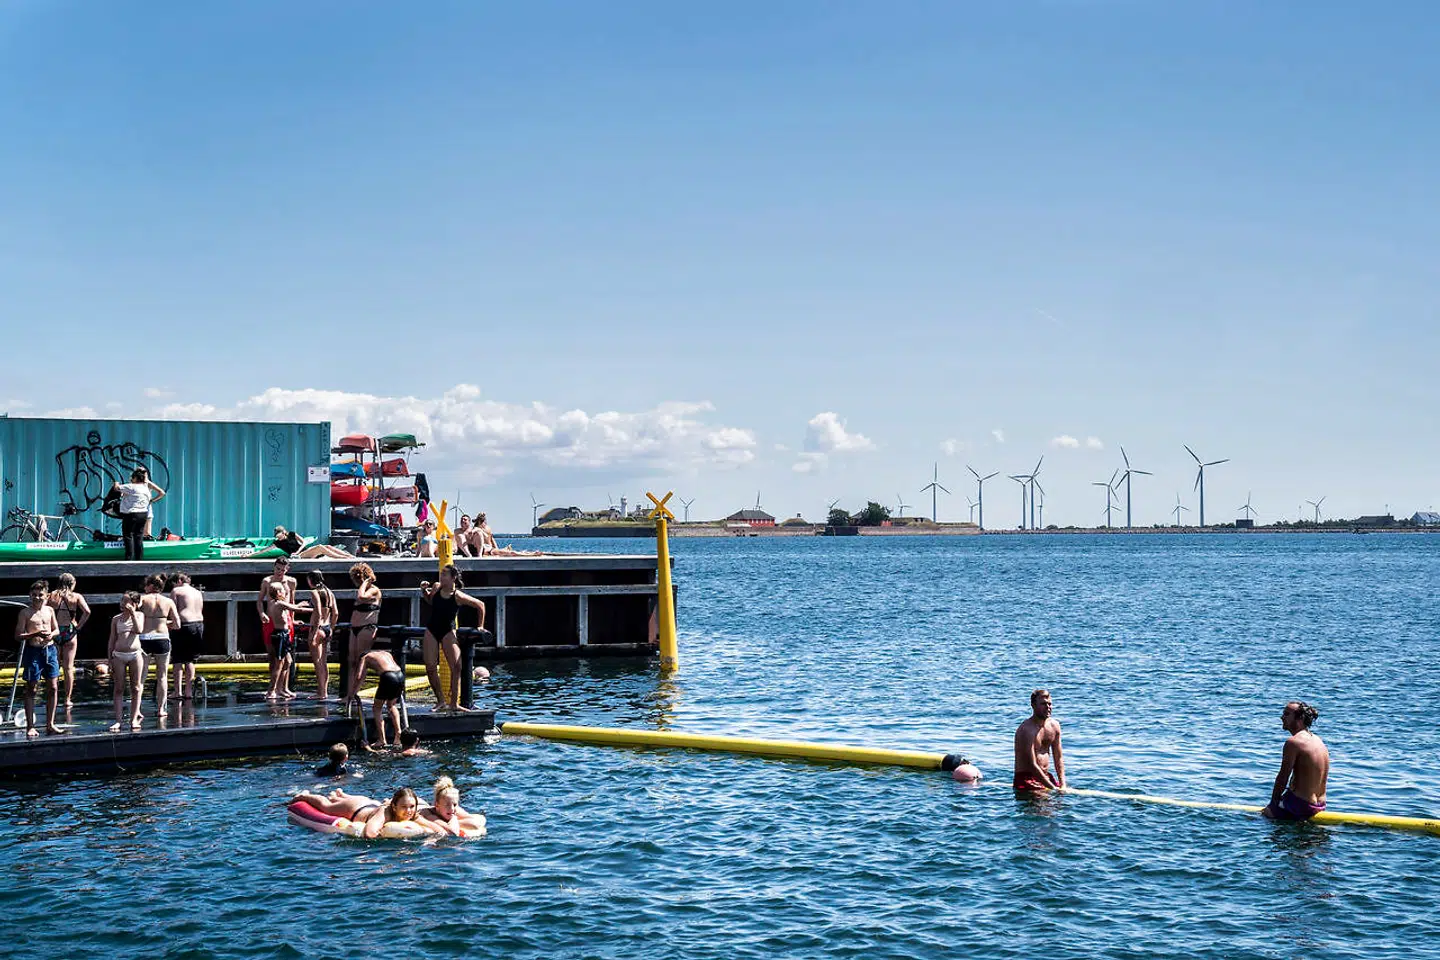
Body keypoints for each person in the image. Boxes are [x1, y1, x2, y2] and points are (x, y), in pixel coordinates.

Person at [419, 564, 486, 712]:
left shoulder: (457, 595)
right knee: (430, 667)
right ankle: (441, 701)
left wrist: (480, 626)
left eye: (444, 574)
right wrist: (424, 591)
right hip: (432, 629)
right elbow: (430, 601)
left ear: (453, 578)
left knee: (457, 666)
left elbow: (480, 605)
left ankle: (454, 703)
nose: (441, 577)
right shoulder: (436, 587)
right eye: (441, 573)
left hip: (448, 631)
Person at [288, 786, 445, 839]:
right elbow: (370, 832)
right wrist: (391, 833)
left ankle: (339, 794)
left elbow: (438, 830)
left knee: (334, 801)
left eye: (412, 806)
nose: (409, 811)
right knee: (326, 806)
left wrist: (431, 838)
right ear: (394, 806)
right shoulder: (385, 813)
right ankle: (305, 795)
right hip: (356, 808)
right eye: (404, 807)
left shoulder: (412, 813)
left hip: (370, 803)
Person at [1261, 701, 1330, 821]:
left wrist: (1273, 805)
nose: (1282, 717)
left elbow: (1283, 777)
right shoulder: (1318, 741)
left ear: (1300, 718)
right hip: (1321, 805)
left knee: (1262, 816)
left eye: (1286, 714)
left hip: (1301, 806)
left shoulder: (1293, 742)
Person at [15, 580, 61, 736]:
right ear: (30, 595)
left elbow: (56, 630)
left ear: (46, 596)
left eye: (40, 595)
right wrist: (35, 634)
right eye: (34, 595)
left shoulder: (49, 610)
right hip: (33, 651)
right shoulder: (25, 613)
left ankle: (50, 724)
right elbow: (18, 635)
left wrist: (50, 635)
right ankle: (30, 726)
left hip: (50, 650)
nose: (37, 598)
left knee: (53, 687)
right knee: (31, 688)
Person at [137, 574, 181, 719]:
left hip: (144, 639)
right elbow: (177, 624)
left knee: (141, 677)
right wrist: (163, 623)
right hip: (162, 638)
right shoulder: (168, 601)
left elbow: (133, 615)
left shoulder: (142, 599)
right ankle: (162, 709)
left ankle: (137, 709)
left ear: (150, 586)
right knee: (162, 676)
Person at [257, 557, 299, 700]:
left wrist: (293, 620)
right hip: (270, 621)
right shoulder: (267, 581)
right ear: (274, 567)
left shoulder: (291, 582)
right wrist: (262, 613)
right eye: (278, 569)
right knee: (273, 657)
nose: (280, 572)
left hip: (286, 622)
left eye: (283, 569)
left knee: (286, 657)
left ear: (287, 569)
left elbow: (292, 602)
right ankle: (273, 687)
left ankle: (283, 688)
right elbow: (259, 600)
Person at [48, 573, 91, 710]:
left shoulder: (50, 596)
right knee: (68, 667)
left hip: (55, 631)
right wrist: (78, 627)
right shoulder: (76, 596)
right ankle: (67, 699)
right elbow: (87, 612)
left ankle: (51, 695)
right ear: (72, 583)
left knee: (53, 666)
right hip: (69, 631)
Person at [351, 647, 406, 749]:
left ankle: (382, 740)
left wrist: (353, 693)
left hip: (388, 676)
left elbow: (359, 677)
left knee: (377, 708)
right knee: (391, 705)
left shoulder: (365, 657)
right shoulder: (386, 653)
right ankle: (398, 734)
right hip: (400, 675)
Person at [107, 591, 145, 732]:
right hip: (119, 655)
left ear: (134, 604)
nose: (123, 604)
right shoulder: (116, 619)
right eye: (122, 601)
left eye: (126, 601)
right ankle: (118, 720)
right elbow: (112, 639)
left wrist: (133, 613)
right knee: (119, 687)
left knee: (136, 687)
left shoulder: (140, 615)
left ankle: (134, 718)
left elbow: (139, 630)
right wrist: (109, 658)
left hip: (135, 654)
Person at [1013, 688, 1065, 791]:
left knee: (1060, 804)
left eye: (1049, 704)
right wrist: (1052, 788)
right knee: (1041, 800)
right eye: (1043, 704)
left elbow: (1058, 758)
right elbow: (1032, 764)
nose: (1048, 707)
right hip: (1026, 779)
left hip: (1045, 776)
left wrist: (1062, 784)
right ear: (1033, 705)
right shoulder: (1026, 729)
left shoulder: (1054, 726)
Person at [111, 467, 166, 561]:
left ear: (135, 478)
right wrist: (151, 500)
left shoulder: (131, 486)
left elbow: (116, 488)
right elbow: (161, 492)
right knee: (138, 537)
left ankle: (128, 559)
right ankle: (139, 560)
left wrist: (116, 482)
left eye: (132, 478)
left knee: (128, 536)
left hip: (131, 514)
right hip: (143, 514)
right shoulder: (146, 487)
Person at [347, 562, 382, 700]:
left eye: (358, 580)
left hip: (366, 628)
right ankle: (349, 693)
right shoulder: (362, 589)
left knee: (361, 660)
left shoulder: (374, 590)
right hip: (354, 629)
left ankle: (354, 694)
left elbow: (361, 597)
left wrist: (365, 582)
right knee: (352, 661)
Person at [169, 573, 205, 701]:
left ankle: (177, 691)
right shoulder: (197, 592)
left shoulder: (176, 590)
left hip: (183, 625)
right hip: (199, 625)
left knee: (177, 659)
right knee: (190, 660)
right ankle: (188, 691)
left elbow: (172, 611)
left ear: (178, 580)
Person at [305, 570, 340, 700]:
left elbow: (318, 612)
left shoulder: (314, 592)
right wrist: (331, 628)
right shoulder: (329, 592)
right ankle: (324, 691)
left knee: (317, 662)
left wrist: (314, 631)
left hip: (318, 628)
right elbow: (335, 613)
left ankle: (321, 692)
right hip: (327, 628)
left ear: (310, 580)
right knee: (324, 662)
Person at [418, 776, 487, 837]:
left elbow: (476, 823)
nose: (452, 808)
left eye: (455, 804)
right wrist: (454, 818)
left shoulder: (453, 809)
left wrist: (454, 819)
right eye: (447, 805)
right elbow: (452, 831)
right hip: (419, 806)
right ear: (437, 805)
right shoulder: (428, 814)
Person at [272, 525, 353, 560]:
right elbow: (265, 550)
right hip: (299, 557)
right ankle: (341, 558)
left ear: (283, 532)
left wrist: (298, 551)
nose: (278, 537)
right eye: (277, 536)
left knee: (327, 546)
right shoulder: (277, 543)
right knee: (320, 547)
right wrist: (258, 553)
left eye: (279, 535)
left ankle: (347, 555)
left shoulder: (292, 534)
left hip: (302, 552)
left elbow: (303, 542)